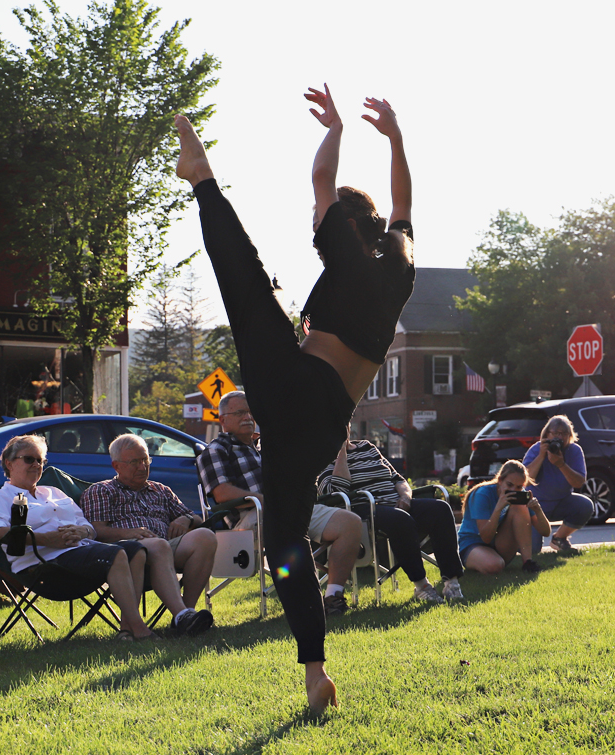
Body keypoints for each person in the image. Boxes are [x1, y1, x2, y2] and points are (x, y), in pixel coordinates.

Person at [174, 82, 413, 712]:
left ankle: (202, 181)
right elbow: (405, 208)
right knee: (282, 541)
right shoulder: (400, 272)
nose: (316, 224)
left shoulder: (347, 250)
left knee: (248, 286)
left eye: (323, 220)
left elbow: (322, 177)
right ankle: (315, 673)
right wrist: (395, 142)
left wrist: (335, 129)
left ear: (344, 226)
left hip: (300, 390)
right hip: (320, 425)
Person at [0, 435, 200, 640]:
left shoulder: (54, 492)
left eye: (40, 460)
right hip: (45, 564)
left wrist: (82, 532)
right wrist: (47, 539)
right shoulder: (0, 497)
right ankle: (140, 630)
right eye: (29, 459)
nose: (36, 465)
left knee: (136, 550)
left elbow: (89, 527)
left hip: (80, 551)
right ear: (9, 464)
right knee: (117, 553)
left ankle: (128, 629)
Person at [197, 390, 363, 616]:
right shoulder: (216, 450)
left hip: (289, 510)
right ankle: (307, 589)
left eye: (250, 412)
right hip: (251, 519)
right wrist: (267, 501)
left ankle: (332, 596)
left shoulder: (265, 446)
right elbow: (222, 494)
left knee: (350, 523)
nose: (248, 417)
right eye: (239, 413)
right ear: (223, 420)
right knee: (284, 520)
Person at [80, 434, 216, 632]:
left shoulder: (160, 490)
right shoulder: (101, 491)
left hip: (165, 548)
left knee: (206, 537)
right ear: (116, 466)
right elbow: (96, 531)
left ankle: (187, 613)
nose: (142, 467)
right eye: (134, 462)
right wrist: (131, 533)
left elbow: (196, 519)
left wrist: (184, 519)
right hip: (127, 551)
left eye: (145, 460)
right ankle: (182, 616)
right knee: (159, 545)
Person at [317, 437, 464, 602]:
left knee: (440, 508)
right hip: (364, 509)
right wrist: (341, 451)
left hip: (396, 503)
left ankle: (452, 582)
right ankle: (422, 586)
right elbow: (334, 492)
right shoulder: (321, 455)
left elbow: (397, 479)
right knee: (400, 519)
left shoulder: (367, 447)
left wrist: (406, 497)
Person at [458, 460, 552, 574]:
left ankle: (528, 563)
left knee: (520, 507)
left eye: (519, 486)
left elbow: (546, 532)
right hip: (473, 544)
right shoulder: (482, 494)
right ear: (500, 480)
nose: (514, 490)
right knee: (495, 566)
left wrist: (538, 510)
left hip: (498, 544)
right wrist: (498, 508)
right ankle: (481, 562)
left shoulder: (519, 495)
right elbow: (485, 537)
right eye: (509, 485)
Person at [522, 415, 593, 553]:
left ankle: (559, 538)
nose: (559, 438)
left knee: (585, 505)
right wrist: (541, 456)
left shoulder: (574, 450)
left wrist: (561, 464)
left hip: (562, 502)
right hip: (535, 506)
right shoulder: (537, 449)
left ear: (569, 436)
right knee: (533, 550)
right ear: (547, 434)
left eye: (564, 434)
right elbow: (525, 480)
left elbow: (579, 482)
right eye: (555, 433)